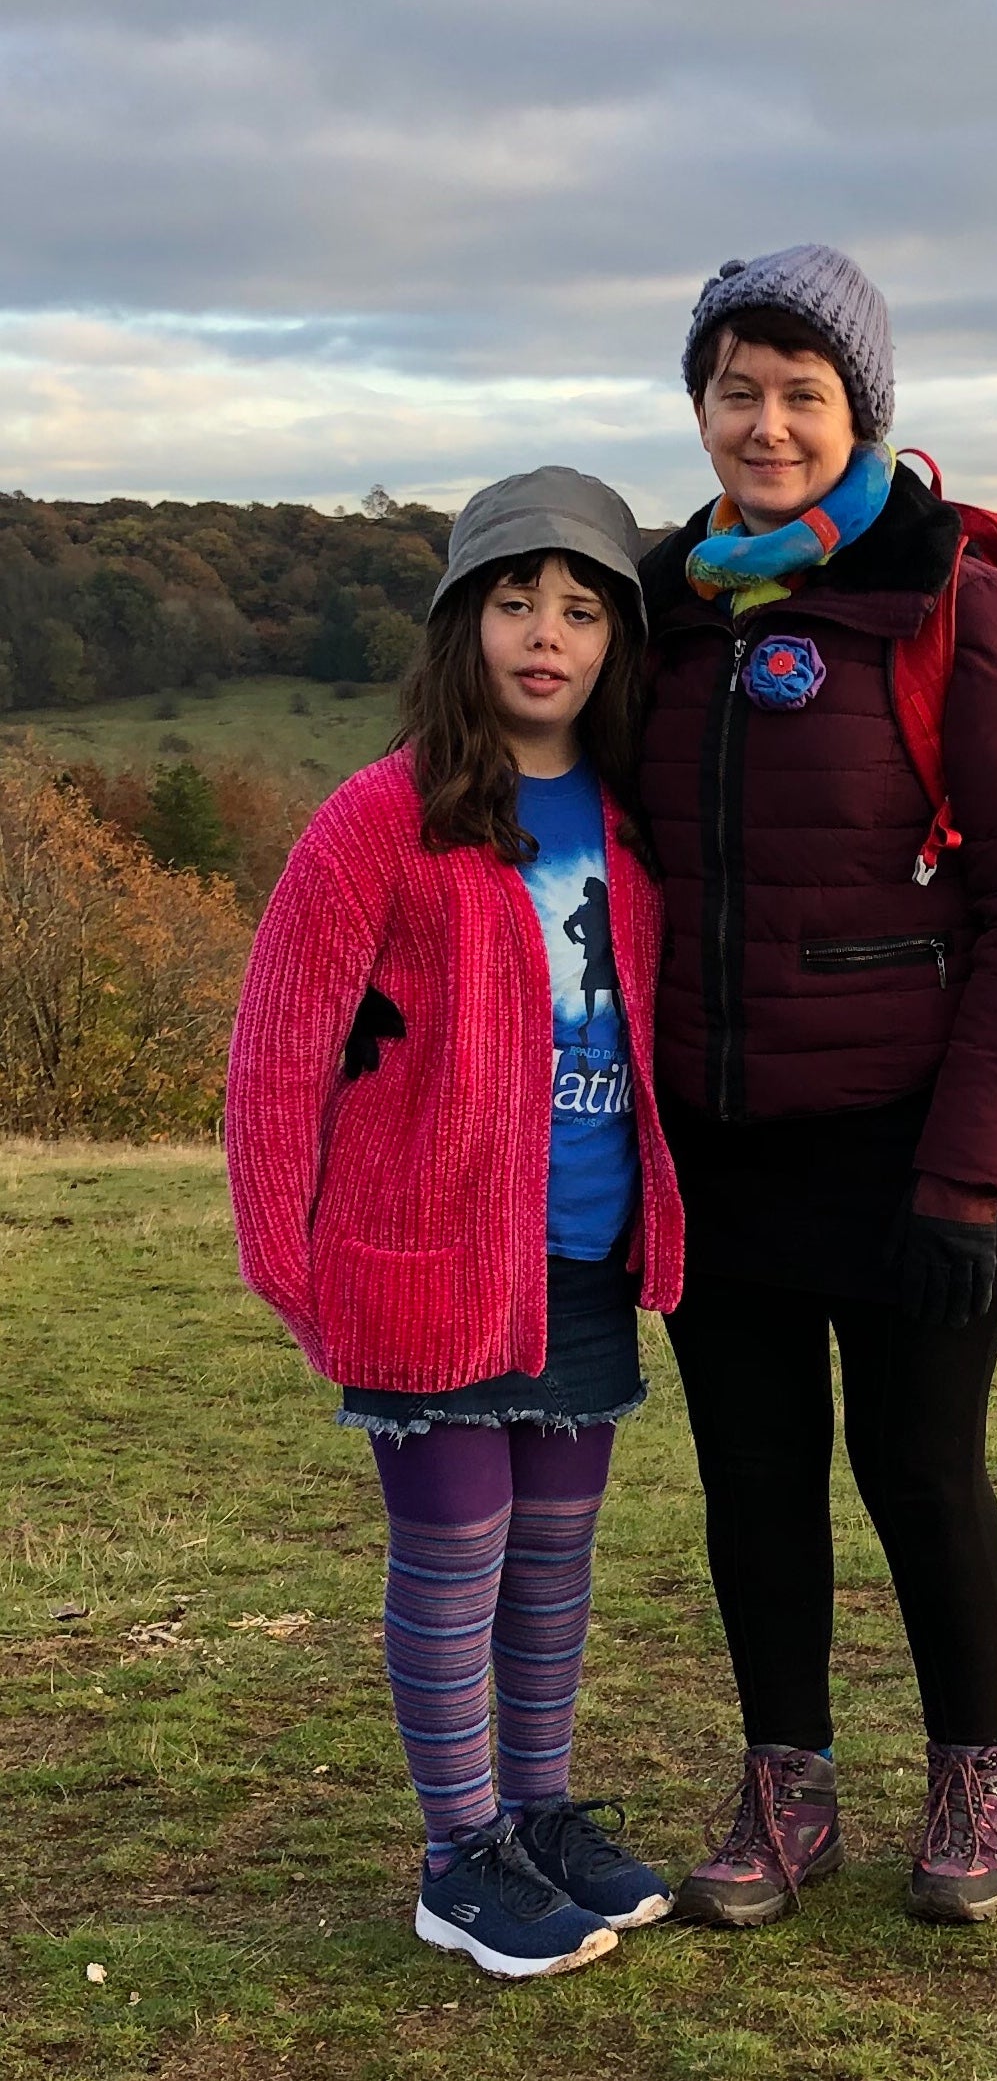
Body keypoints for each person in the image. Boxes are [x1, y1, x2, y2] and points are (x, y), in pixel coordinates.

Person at [638, 246, 997, 1926]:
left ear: (863, 412)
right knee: (752, 1478)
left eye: (801, 395)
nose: (766, 424)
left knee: (920, 1466)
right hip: (719, 1141)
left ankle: (975, 1774)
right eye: (736, 390)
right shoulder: (664, 603)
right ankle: (784, 1785)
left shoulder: (955, 598)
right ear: (698, 406)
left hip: (917, 1143)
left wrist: (969, 1177)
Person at [226, 468, 684, 1980]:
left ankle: (540, 1815)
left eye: (578, 607)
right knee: (457, 1551)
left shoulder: (630, 825)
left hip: (583, 1251)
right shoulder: (382, 817)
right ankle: (457, 1852)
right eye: (512, 599)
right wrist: (288, 1263)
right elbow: (280, 1050)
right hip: (424, 1260)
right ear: (459, 619)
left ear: (616, 636)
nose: (544, 635)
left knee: (557, 1552)